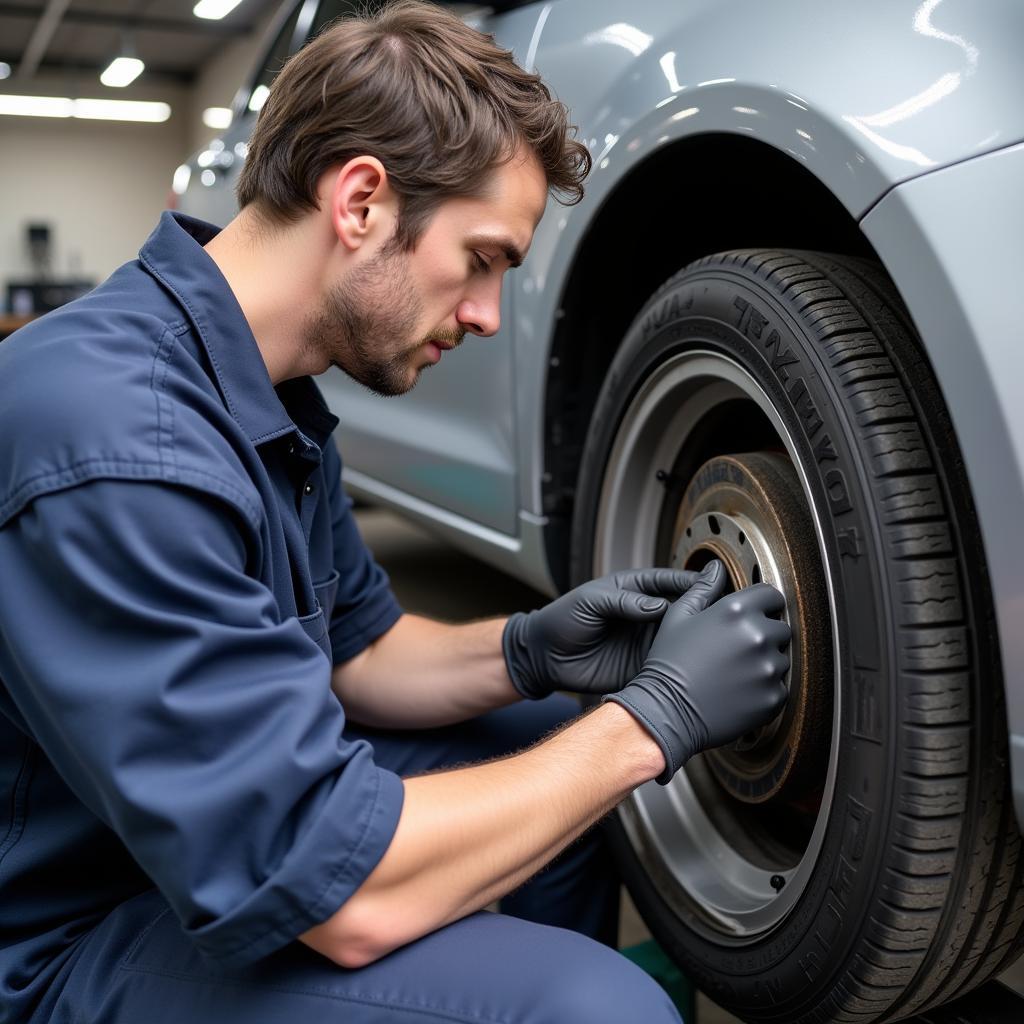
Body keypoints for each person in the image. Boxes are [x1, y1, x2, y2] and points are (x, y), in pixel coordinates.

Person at [0, 3, 791, 1022]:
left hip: (171, 843)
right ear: (363, 201)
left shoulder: (265, 390)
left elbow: (355, 658)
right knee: (596, 1006)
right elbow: (336, 889)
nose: (486, 315)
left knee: (546, 741)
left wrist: (528, 651)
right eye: (482, 259)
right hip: (63, 934)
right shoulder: (116, 438)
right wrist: (656, 720)